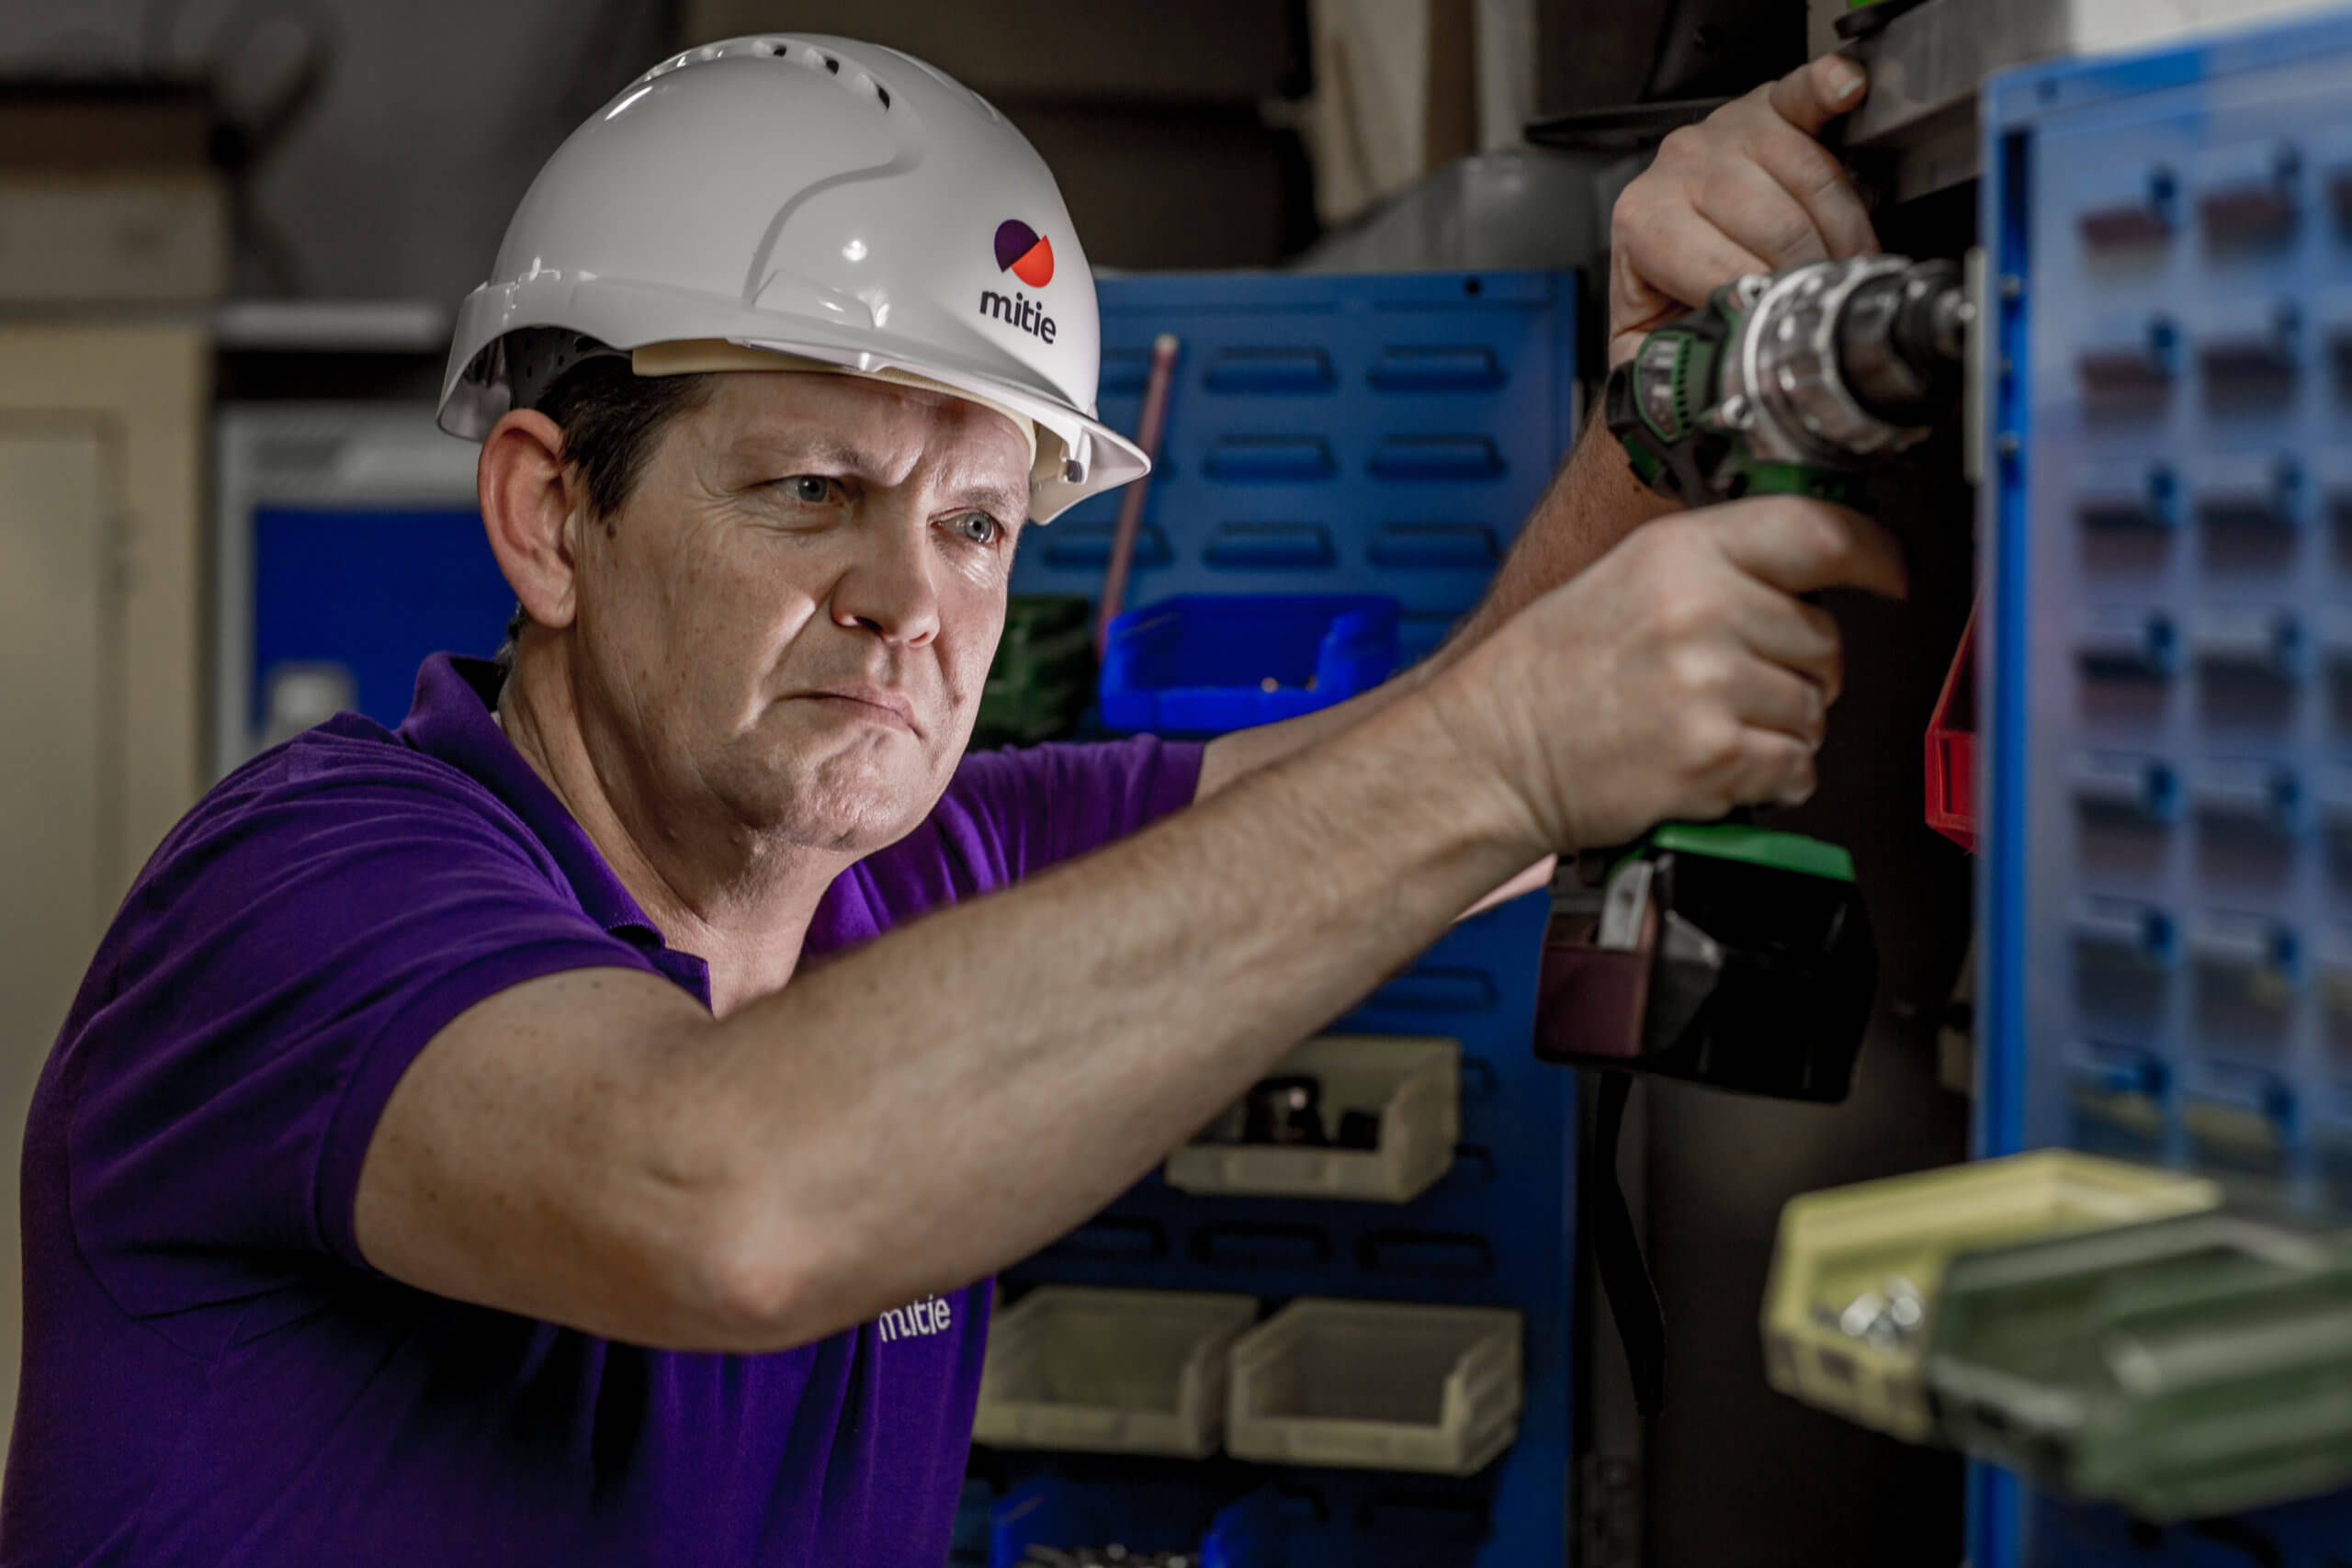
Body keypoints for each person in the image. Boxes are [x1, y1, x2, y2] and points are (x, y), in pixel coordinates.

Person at [4, 34, 1898, 1568]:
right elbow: (727, 1195)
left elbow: (1446, 782)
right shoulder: (302, 887)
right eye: (813, 488)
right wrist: (1501, 752)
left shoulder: (938, 860)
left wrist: (1659, 396)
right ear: (546, 515)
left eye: (978, 520)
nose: (912, 600)